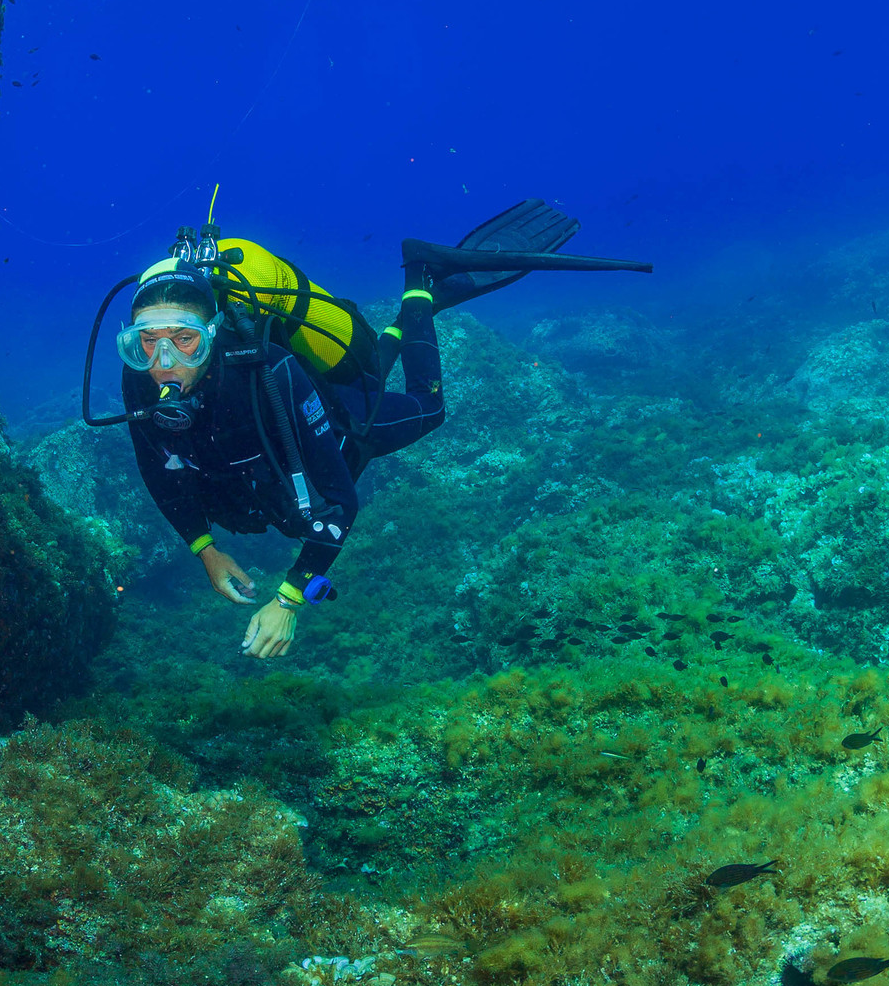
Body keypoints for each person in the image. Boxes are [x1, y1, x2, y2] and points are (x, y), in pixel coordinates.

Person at [115, 203, 612, 660]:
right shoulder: (139, 381)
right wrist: (206, 550)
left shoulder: (270, 371)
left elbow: (340, 498)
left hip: (342, 428)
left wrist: (289, 599)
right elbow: (156, 470)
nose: (165, 363)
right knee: (372, 365)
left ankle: (420, 283)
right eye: (147, 343)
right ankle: (402, 318)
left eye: (186, 340)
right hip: (274, 457)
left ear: (215, 333)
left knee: (427, 408)